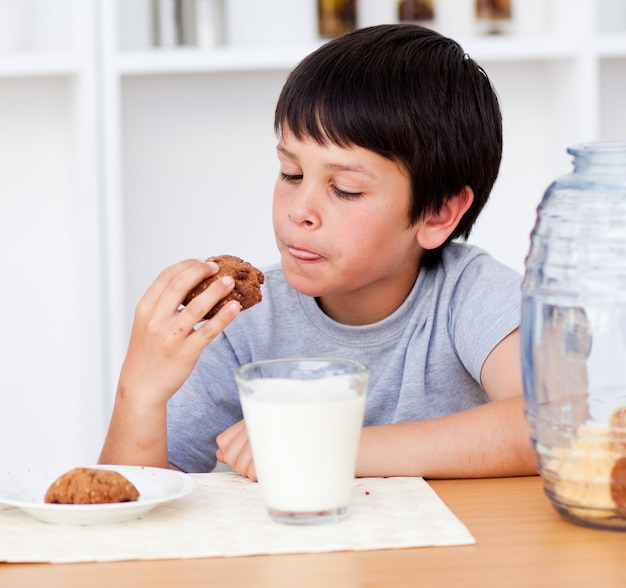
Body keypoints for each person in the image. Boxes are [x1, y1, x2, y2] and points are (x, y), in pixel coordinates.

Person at [99, 24, 537, 480]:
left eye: (345, 190)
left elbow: (554, 424)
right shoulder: (242, 323)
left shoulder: (469, 294)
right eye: (290, 173)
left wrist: (331, 447)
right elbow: (135, 505)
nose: (300, 211)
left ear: (438, 214)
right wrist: (140, 391)